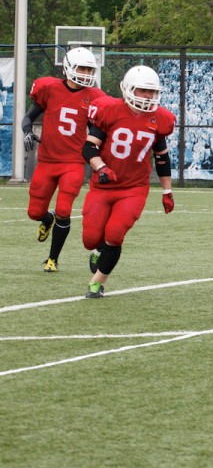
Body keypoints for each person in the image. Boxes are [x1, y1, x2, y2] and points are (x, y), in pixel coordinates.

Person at [81, 66, 176, 298]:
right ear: (128, 89)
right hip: (103, 185)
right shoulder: (109, 110)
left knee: (114, 234)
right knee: (91, 239)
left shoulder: (160, 118)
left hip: (133, 188)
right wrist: (101, 167)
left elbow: (162, 157)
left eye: (152, 92)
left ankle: (98, 282)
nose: (148, 97)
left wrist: (167, 190)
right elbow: (89, 146)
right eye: (143, 91)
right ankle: (99, 248)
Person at [22, 47, 106, 272]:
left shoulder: (95, 97)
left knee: (64, 210)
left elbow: (97, 131)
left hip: (73, 163)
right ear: (69, 67)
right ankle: (46, 220)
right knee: (34, 212)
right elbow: (28, 117)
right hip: (47, 161)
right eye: (83, 68)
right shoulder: (49, 88)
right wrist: (28, 132)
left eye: (90, 69)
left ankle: (52, 259)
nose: (87, 73)